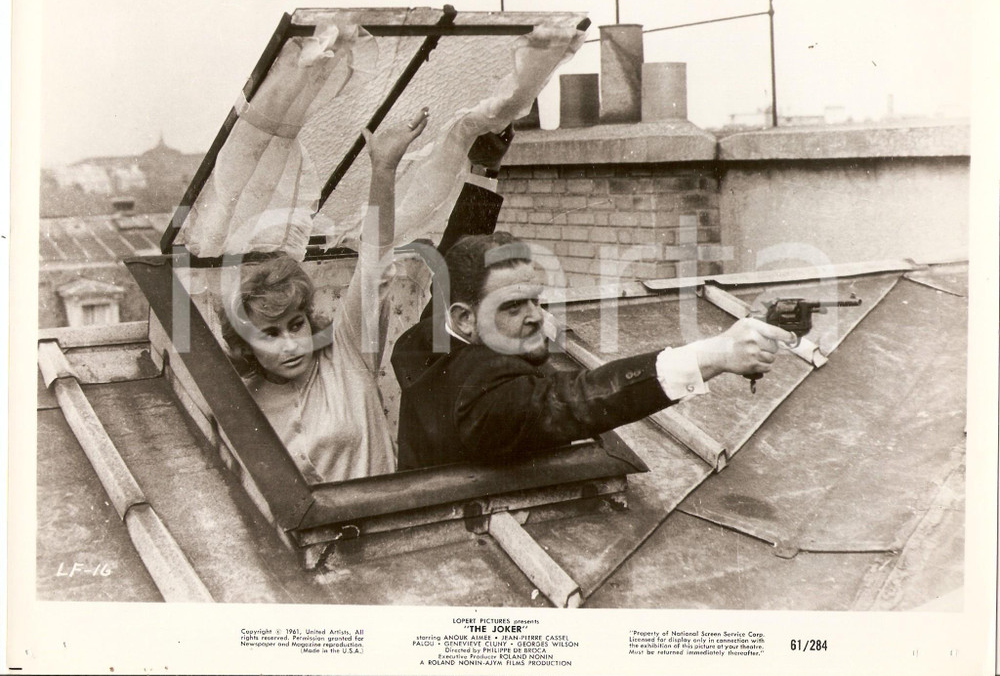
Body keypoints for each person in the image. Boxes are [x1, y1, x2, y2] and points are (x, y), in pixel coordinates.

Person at [391, 232, 797, 470]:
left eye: (536, 300)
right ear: (464, 318)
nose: (536, 317)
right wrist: (714, 355)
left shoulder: (422, 343)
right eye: (513, 307)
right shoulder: (482, 395)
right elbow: (578, 399)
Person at [219, 107, 430, 484]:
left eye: (295, 324)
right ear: (246, 345)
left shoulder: (347, 352)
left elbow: (374, 266)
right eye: (270, 334)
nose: (291, 344)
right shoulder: (243, 404)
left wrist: (383, 170)